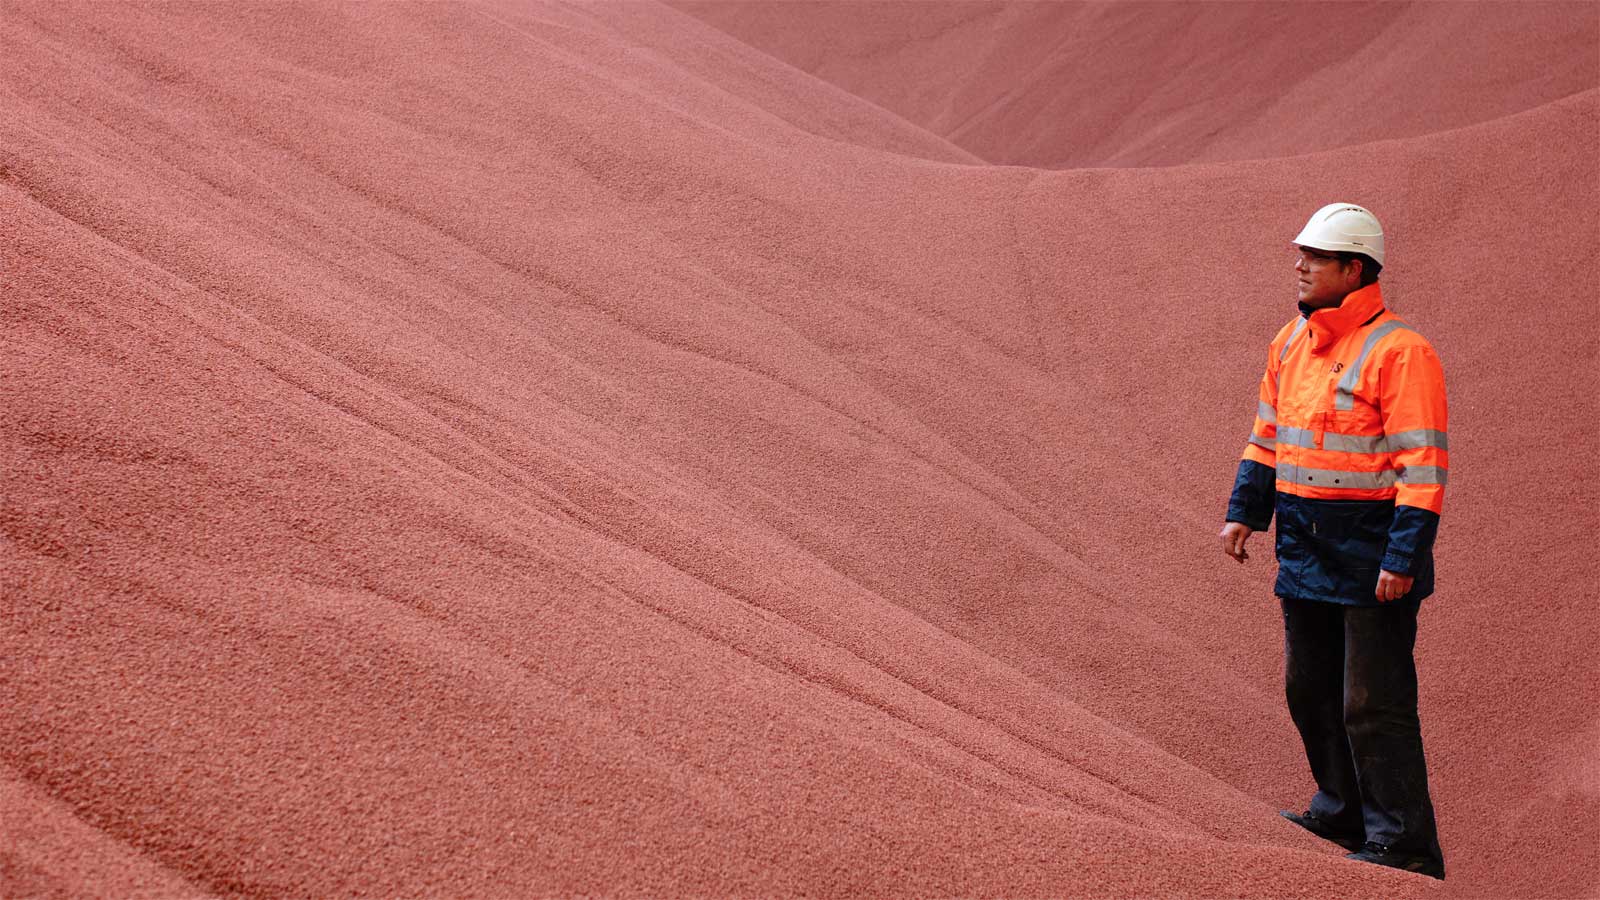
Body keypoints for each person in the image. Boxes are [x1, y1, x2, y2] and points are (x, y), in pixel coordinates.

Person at [1219, 203, 1448, 879]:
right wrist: (1244, 514)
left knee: (1372, 705)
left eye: (1314, 258)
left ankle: (1404, 843)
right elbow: (1268, 437)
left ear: (1353, 270)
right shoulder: (1289, 344)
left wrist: (1403, 558)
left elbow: (1423, 468)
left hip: (1373, 554)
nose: (1300, 266)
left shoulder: (1402, 352)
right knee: (1308, 689)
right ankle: (1341, 806)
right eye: (1302, 255)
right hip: (1305, 547)